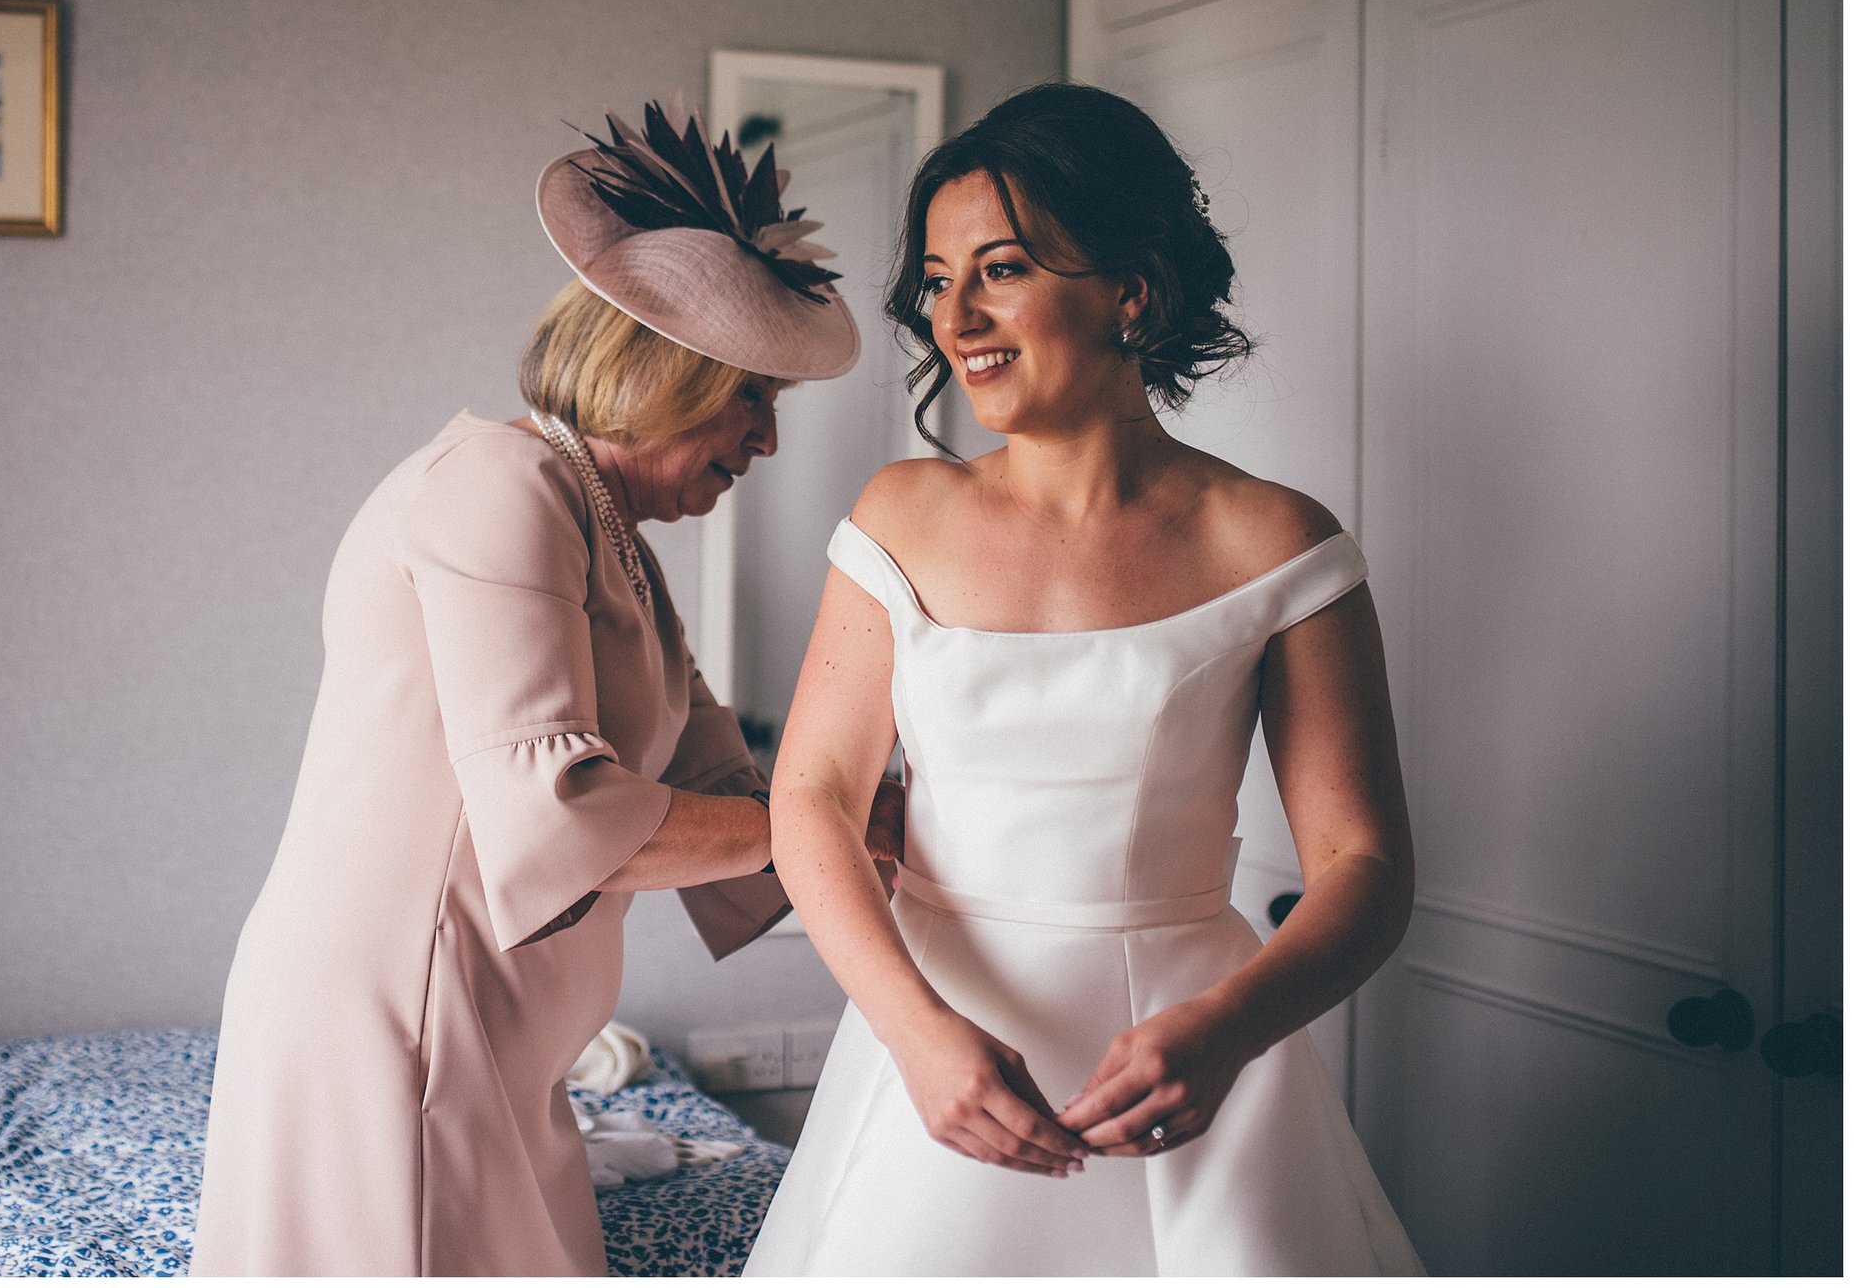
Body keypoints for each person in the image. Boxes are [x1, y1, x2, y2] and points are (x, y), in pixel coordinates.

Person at [190, 101, 901, 1276]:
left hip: (506, 1042)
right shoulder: (499, 485)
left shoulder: (611, 536)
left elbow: (723, 777)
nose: (766, 442)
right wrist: (829, 819)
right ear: (662, 371)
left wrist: (890, 807)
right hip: (407, 1024)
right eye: (752, 399)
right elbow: (563, 815)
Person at [745, 83, 1422, 1275]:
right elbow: (810, 798)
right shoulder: (899, 513)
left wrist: (1230, 1026)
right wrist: (918, 1037)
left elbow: (1363, 864)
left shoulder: (1275, 542)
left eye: (998, 267)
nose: (956, 314)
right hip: (936, 1040)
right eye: (939, 279)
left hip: (1187, 1055)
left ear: (1131, 286)